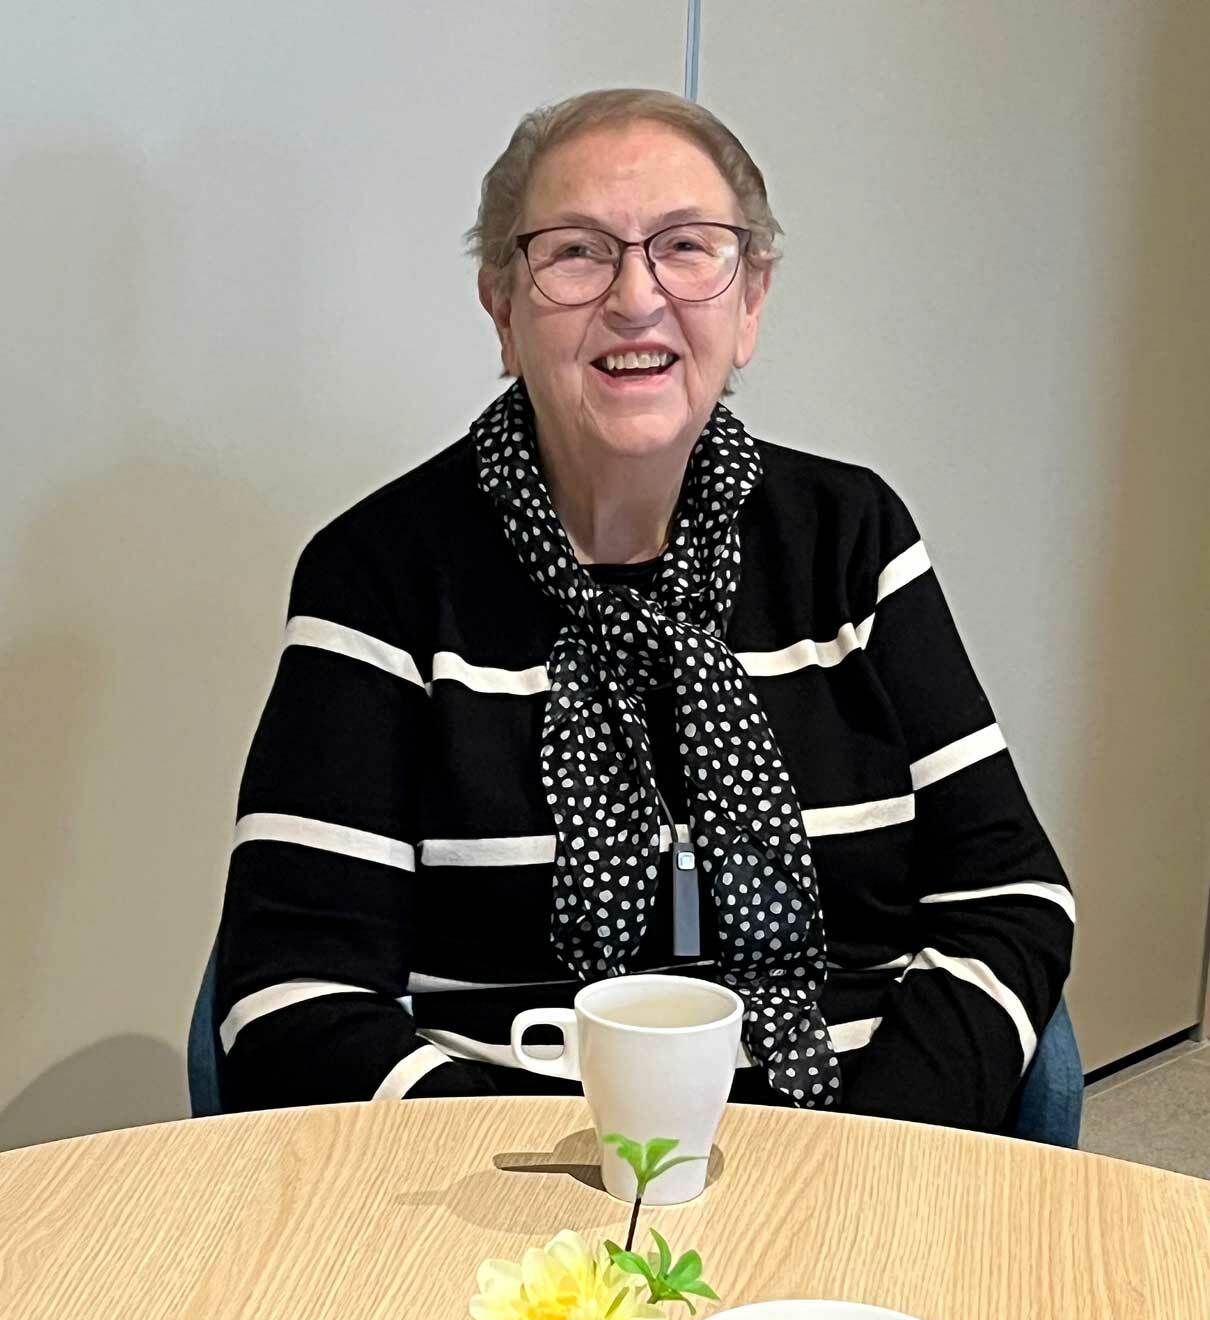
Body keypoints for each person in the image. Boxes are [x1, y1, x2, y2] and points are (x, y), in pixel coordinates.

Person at [215, 88, 1074, 1131]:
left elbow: (1009, 900)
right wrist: (552, 1187)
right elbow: (293, 993)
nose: (636, 297)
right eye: (576, 252)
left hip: (860, 1144)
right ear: (502, 309)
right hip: (496, 1182)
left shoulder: (853, 537)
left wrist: (874, 1155)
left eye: (687, 247)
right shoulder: (377, 575)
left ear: (749, 303)